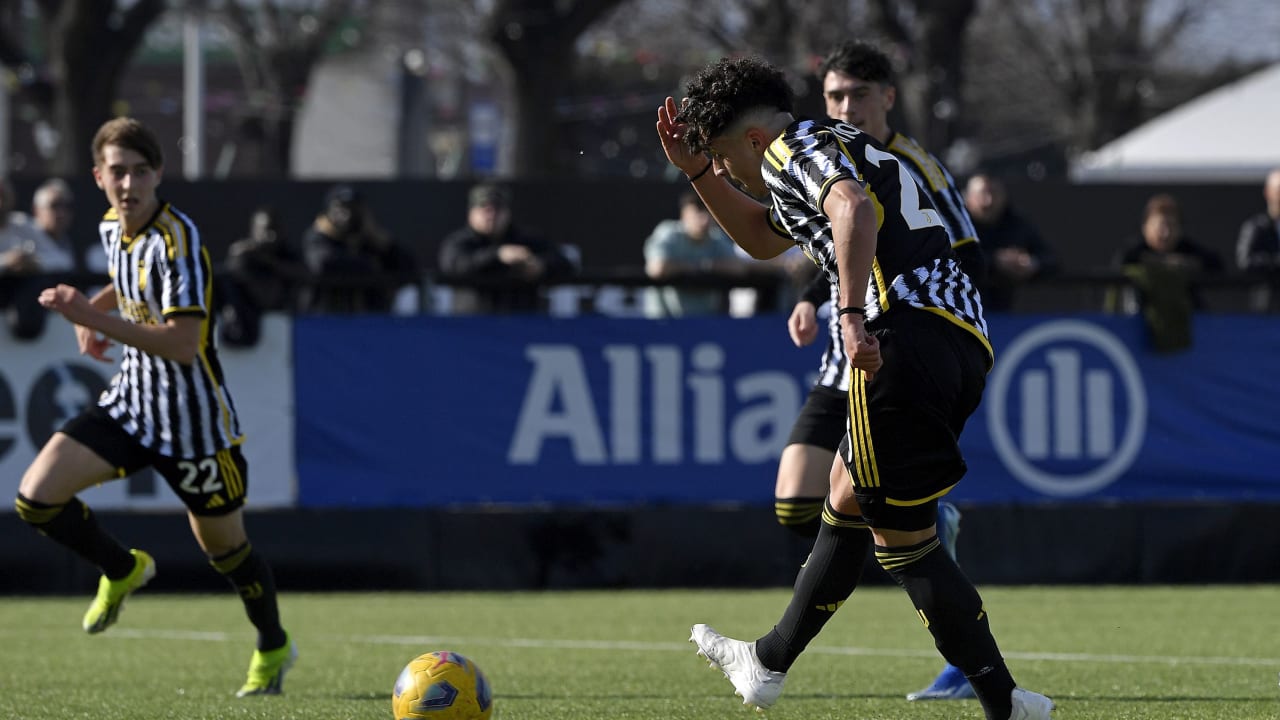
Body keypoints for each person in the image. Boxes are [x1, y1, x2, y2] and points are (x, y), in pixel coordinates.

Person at [656, 57, 1053, 720]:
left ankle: (1004, 702)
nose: (726, 171)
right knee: (846, 499)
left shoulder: (791, 151)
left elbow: (851, 208)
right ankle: (768, 663)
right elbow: (759, 236)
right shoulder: (834, 142)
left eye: (724, 156)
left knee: (903, 541)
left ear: (754, 139)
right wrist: (697, 172)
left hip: (903, 334)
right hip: (955, 336)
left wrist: (849, 314)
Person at [14, 117, 296, 697]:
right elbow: (128, 279)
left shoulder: (179, 241)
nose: (129, 183)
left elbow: (182, 343)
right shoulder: (113, 227)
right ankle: (122, 568)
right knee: (35, 500)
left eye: (141, 171)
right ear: (98, 177)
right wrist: (98, 309)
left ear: (158, 174)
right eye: (117, 171)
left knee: (226, 552)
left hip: (195, 425)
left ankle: (273, 646)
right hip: (133, 405)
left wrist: (87, 317)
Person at [774, 39, 983, 702]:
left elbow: (955, 253)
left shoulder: (915, 162)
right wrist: (815, 298)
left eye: (858, 94)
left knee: (868, 509)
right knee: (794, 502)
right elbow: (834, 239)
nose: (846, 106)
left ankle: (959, 650)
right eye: (835, 95)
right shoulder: (830, 149)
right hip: (846, 343)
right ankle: (896, 541)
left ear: (887, 97)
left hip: (892, 342)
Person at [437, 182, 576, 313]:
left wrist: (540, 266)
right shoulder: (459, 242)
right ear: (471, 212)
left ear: (507, 212)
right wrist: (498, 256)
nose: (491, 216)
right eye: (485, 209)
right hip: (472, 326)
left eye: (497, 209)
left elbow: (565, 265)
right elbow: (455, 266)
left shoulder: (526, 240)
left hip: (521, 324)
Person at [299, 183, 419, 314]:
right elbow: (323, 264)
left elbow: (409, 268)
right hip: (326, 318)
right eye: (340, 208)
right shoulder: (318, 237)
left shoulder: (368, 239)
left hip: (368, 319)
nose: (347, 215)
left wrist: (385, 243)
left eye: (352, 208)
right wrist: (370, 265)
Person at [643, 189, 752, 317]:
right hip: (664, 323)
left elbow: (738, 268)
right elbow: (656, 269)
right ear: (684, 215)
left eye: (708, 212)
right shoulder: (668, 233)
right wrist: (693, 267)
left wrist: (704, 266)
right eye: (698, 213)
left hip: (703, 323)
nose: (704, 219)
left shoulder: (715, 237)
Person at [1112, 193, 1223, 315]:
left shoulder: (1187, 249)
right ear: (1146, 227)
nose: (1166, 233)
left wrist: (1187, 264)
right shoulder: (1135, 250)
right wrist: (1163, 262)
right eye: (1160, 227)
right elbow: (1121, 264)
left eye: (1171, 226)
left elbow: (1216, 265)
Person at [964, 172, 1057, 311]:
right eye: (981, 194)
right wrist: (995, 262)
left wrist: (1030, 263)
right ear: (968, 198)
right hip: (962, 312)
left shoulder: (1017, 224)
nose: (988, 201)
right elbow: (953, 260)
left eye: (994, 193)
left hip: (1006, 313)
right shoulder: (955, 225)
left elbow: (1051, 259)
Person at [1235, 168, 1280, 311]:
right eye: (1279, 190)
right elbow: (1245, 261)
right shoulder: (1256, 226)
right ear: (1268, 193)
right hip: (1266, 307)